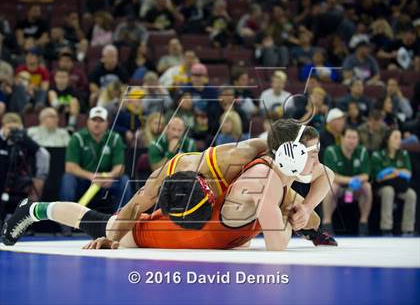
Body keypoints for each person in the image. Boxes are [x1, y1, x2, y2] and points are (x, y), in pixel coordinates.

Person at [3, 119, 337, 250]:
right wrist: (111, 237)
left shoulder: (247, 162)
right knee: (114, 226)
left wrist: (305, 208)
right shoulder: (173, 174)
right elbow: (136, 204)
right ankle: (34, 209)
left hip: (231, 214)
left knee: (304, 213)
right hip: (213, 217)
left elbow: (320, 171)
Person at [59, 106, 132, 212]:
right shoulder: (77, 137)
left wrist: (107, 176)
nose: (97, 124)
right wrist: (91, 176)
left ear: (107, 123)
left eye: (101, 120)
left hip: (106, 179)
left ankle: (119, 220)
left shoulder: (115, 138)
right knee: (68, 179)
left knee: (124, 181)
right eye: (94, 120)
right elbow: (70, 167)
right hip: (84, 179)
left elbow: (119, 167)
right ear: (87, 121)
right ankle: (66, 220)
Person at [323, 127, 372, 236]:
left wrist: (356, 181)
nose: (352, 140)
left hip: (355, 189)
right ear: (342, 138)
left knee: (367, 187)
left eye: (354, 138)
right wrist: (351, 180)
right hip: (339, 187)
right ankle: (326, 223)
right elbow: (331, 175)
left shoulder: (362, 151)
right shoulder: (331, 151)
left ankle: (363, 223)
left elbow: (366, 175)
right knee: (331, 187)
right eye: (349, 137)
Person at [0, 113, 50, 218]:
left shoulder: (23, 139)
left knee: (29, 187)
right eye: (10, 128)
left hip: (17, 180)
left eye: (16, 129)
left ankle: (19, 220)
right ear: (3, 126)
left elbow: (44, 155)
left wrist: (40, 178)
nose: (13, 132)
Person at [371, 129, 416, 236]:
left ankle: (408, 229)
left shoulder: (403, 154)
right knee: (388, 191)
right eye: (395, 137)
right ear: (388, 139)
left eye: (400, 138)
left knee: (411, 194)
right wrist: (398, 172)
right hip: (381, 187)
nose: (399, 140)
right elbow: (378, 178)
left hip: (399, 186)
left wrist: (393, 172)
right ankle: (386, 228)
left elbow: (408, 173)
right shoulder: (378, 154)